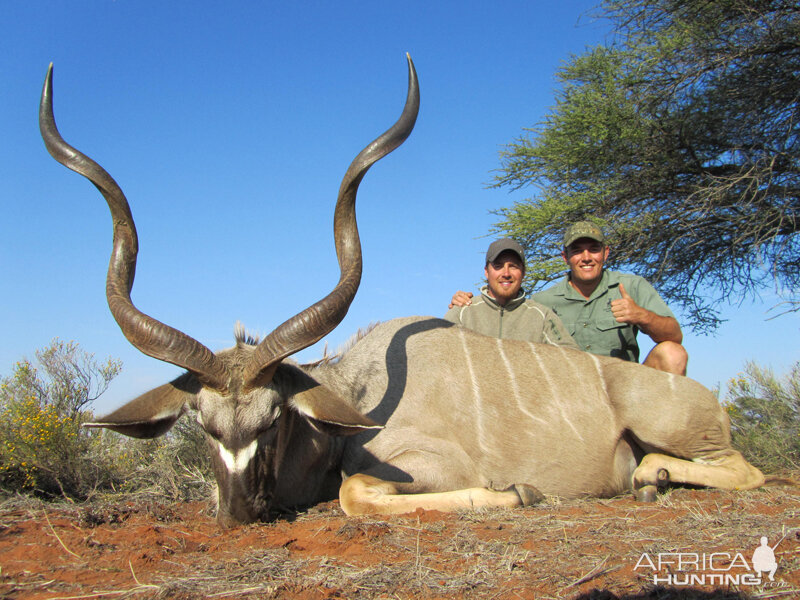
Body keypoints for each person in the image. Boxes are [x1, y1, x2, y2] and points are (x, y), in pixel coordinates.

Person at [450, 222, 688, 374]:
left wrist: (642, 316)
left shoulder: (631, 286)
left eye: (593, 249)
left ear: (606, 253)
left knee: (672, 353)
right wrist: (461, 304)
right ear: (566, 257)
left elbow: (675, 335)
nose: (586, 257)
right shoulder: (542, 303)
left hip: (623, 388)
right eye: (577, 250)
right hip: (574, 394)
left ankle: (664, 448)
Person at [444, 238, 579, 349]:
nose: (506, 273)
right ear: (486, 271)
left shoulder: (542, 316)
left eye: (513, 266)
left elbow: (571, 358)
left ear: (524, 272)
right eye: (498, 266)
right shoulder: (462, 313)